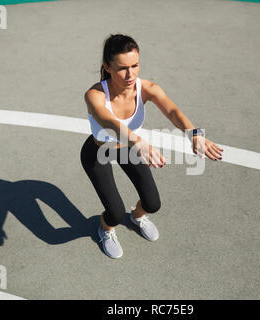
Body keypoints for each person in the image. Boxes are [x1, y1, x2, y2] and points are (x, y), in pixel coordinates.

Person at [80, 34, 224, 259]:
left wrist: (194, 134)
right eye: (122, 68)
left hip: (128, 149)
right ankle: (105, 230)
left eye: (135, 65)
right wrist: (137, 141)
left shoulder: (147, 88)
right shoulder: (94, 95)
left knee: (152, 203)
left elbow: (172, 111)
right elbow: (108, 120)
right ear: (106, 67)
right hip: (98, 152)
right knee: (115, 213)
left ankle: (136, 217)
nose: (130, 74)